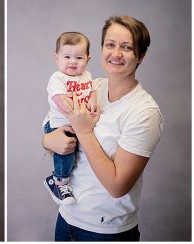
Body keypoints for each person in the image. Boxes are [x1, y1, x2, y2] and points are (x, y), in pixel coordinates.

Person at [42, 16, 163, 241]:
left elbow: (118, 186)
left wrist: (85, 132)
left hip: (105, 232)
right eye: (110, 45)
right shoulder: (90, 87)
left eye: (126, 47)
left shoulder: (144, 112)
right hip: (66, 219)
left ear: (141, 56)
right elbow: (54, 131)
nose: (116, 53)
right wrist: (47, 141)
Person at [43, 31, 95, 205]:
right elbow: (60, 101)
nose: (73, 61)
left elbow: (92, 91)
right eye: (67, 57)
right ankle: (58, 182)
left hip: (76, 124)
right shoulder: (57, 78)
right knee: (66, 155)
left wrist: (93, 101)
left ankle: (63, 179)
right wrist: (78, 114)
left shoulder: (87, 76)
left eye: (79, 58)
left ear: (88, 59)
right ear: (56, 58)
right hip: (59, 126)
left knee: (76, 157)